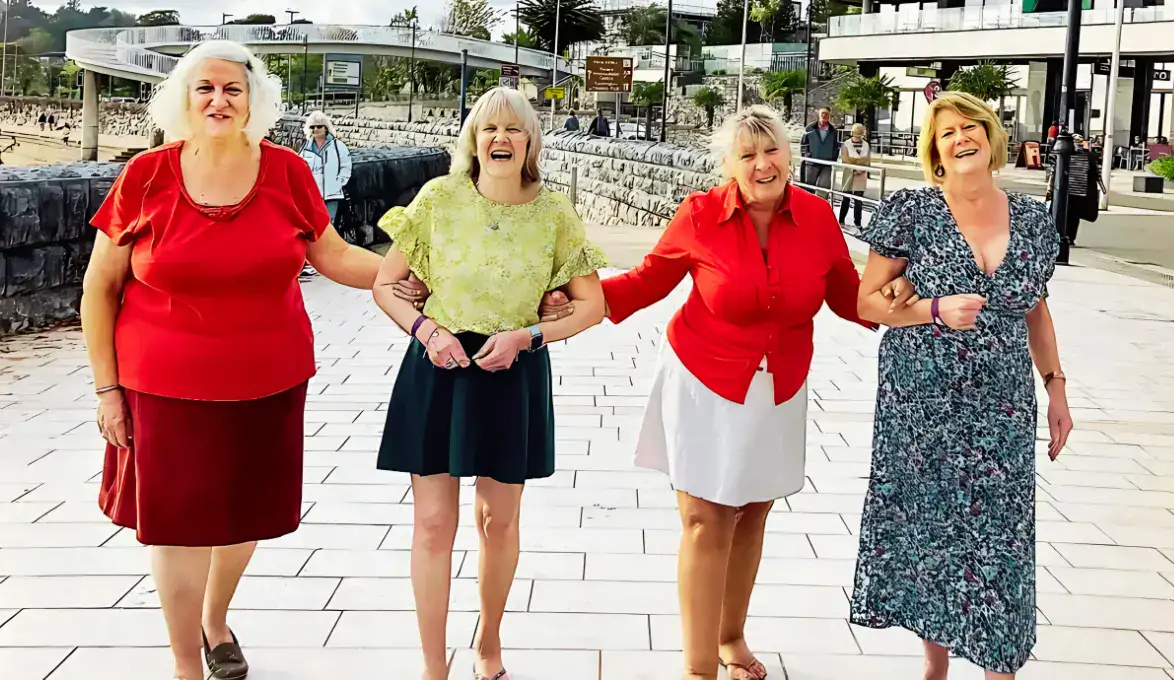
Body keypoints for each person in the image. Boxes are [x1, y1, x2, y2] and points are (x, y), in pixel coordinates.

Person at [80, 40, 389, 680]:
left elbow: (332, 257)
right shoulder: (147, 175)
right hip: (161, 385)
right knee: (175, 526)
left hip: (266, 380)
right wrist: (107, 392)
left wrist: (413, 275)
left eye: (233, 90)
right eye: (205, 89)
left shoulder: (288, 172)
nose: (219, 100)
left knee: (241, 513)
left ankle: (215, 618)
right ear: (184, 99)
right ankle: (186, 665)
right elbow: (98, 289)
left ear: (253, 103)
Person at [567, 106, 910, 680]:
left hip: (779, 386)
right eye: (747, 155)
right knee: (707, 518)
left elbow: (849, 297)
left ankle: (731, 638)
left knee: (752, 513)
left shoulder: (819, 217)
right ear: (729, 165)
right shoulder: (701, 215)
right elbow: (649, 278)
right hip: (704, 378)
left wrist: (903, 300)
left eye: (770, 150)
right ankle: (699, 668)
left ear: (790, 154)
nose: (762, 163)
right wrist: (577, 300)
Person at [371, 87, 607, 680]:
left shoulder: (555, 213)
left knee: (498, 520)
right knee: (431, 523)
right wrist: (426, 330)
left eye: (513, 130)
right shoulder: (438, 199)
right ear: (473, 140)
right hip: (439, 364)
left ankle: (489, 646)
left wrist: (529, 337)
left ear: (530, 142)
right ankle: (432, 666)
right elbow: (384, 284)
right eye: (488, 129)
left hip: (512, 372)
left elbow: (591, 306)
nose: (500, 139)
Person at [850, 91, 1074, 680]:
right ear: (936, 152)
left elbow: (1037, 312)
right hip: (919, 400)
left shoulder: (1030, 219)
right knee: (930, 528)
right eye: (946, 132)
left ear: (992, 137)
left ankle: (999, 663)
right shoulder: (911, 212)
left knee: (1000, 532)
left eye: (971, 125)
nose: (961, 137)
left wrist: (1056, 388)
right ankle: (936, 665)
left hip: (1001, 403)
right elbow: (867, 301)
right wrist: (933, 309)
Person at [298, 110, 353, 225]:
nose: (316, 129)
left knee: (329, 224)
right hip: (312, 194)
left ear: (326, 127)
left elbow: (346, 165)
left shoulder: (338, 146)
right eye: (312, 127)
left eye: (319, 126)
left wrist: (340, 182)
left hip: (332, 193)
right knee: (313, 224)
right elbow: (300, 167)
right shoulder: (305, 147)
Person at [838, 122, 871, 229]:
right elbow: (845, 159)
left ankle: (858, 222)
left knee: (858, 200)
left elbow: (867, 159)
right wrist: (856, 166)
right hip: (849, 173)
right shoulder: (846, 144)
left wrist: (861, 168)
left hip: (862, 173)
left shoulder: (866, 145)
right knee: (846, 197)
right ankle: (841, 220)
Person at [802, 107, 838, 197]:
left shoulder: (833, 131)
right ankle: (807, 207)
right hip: (812, 163)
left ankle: (819, 208)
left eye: (826, 114)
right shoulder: (810, 128)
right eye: (822, 113)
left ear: (829, 116)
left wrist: (833, 158)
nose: (824, 115)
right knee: (809, 187)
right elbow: (803, 144)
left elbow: (836, 146)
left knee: (824, 188)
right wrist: (807, 156)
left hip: (826, 164)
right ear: (819, 115)